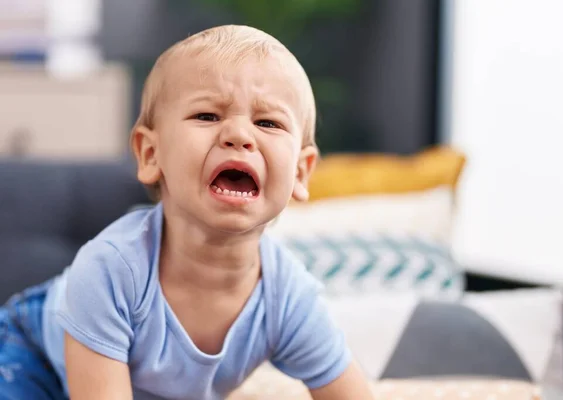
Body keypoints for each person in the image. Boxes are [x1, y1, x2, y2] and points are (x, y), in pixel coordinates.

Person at [0, 25, 375, 400]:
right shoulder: (111, 270)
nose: (240, 135)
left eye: (267, 123)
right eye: (207, 115)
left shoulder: (288, 297)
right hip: (30, 355)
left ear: (300, 171)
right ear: (151, 154)